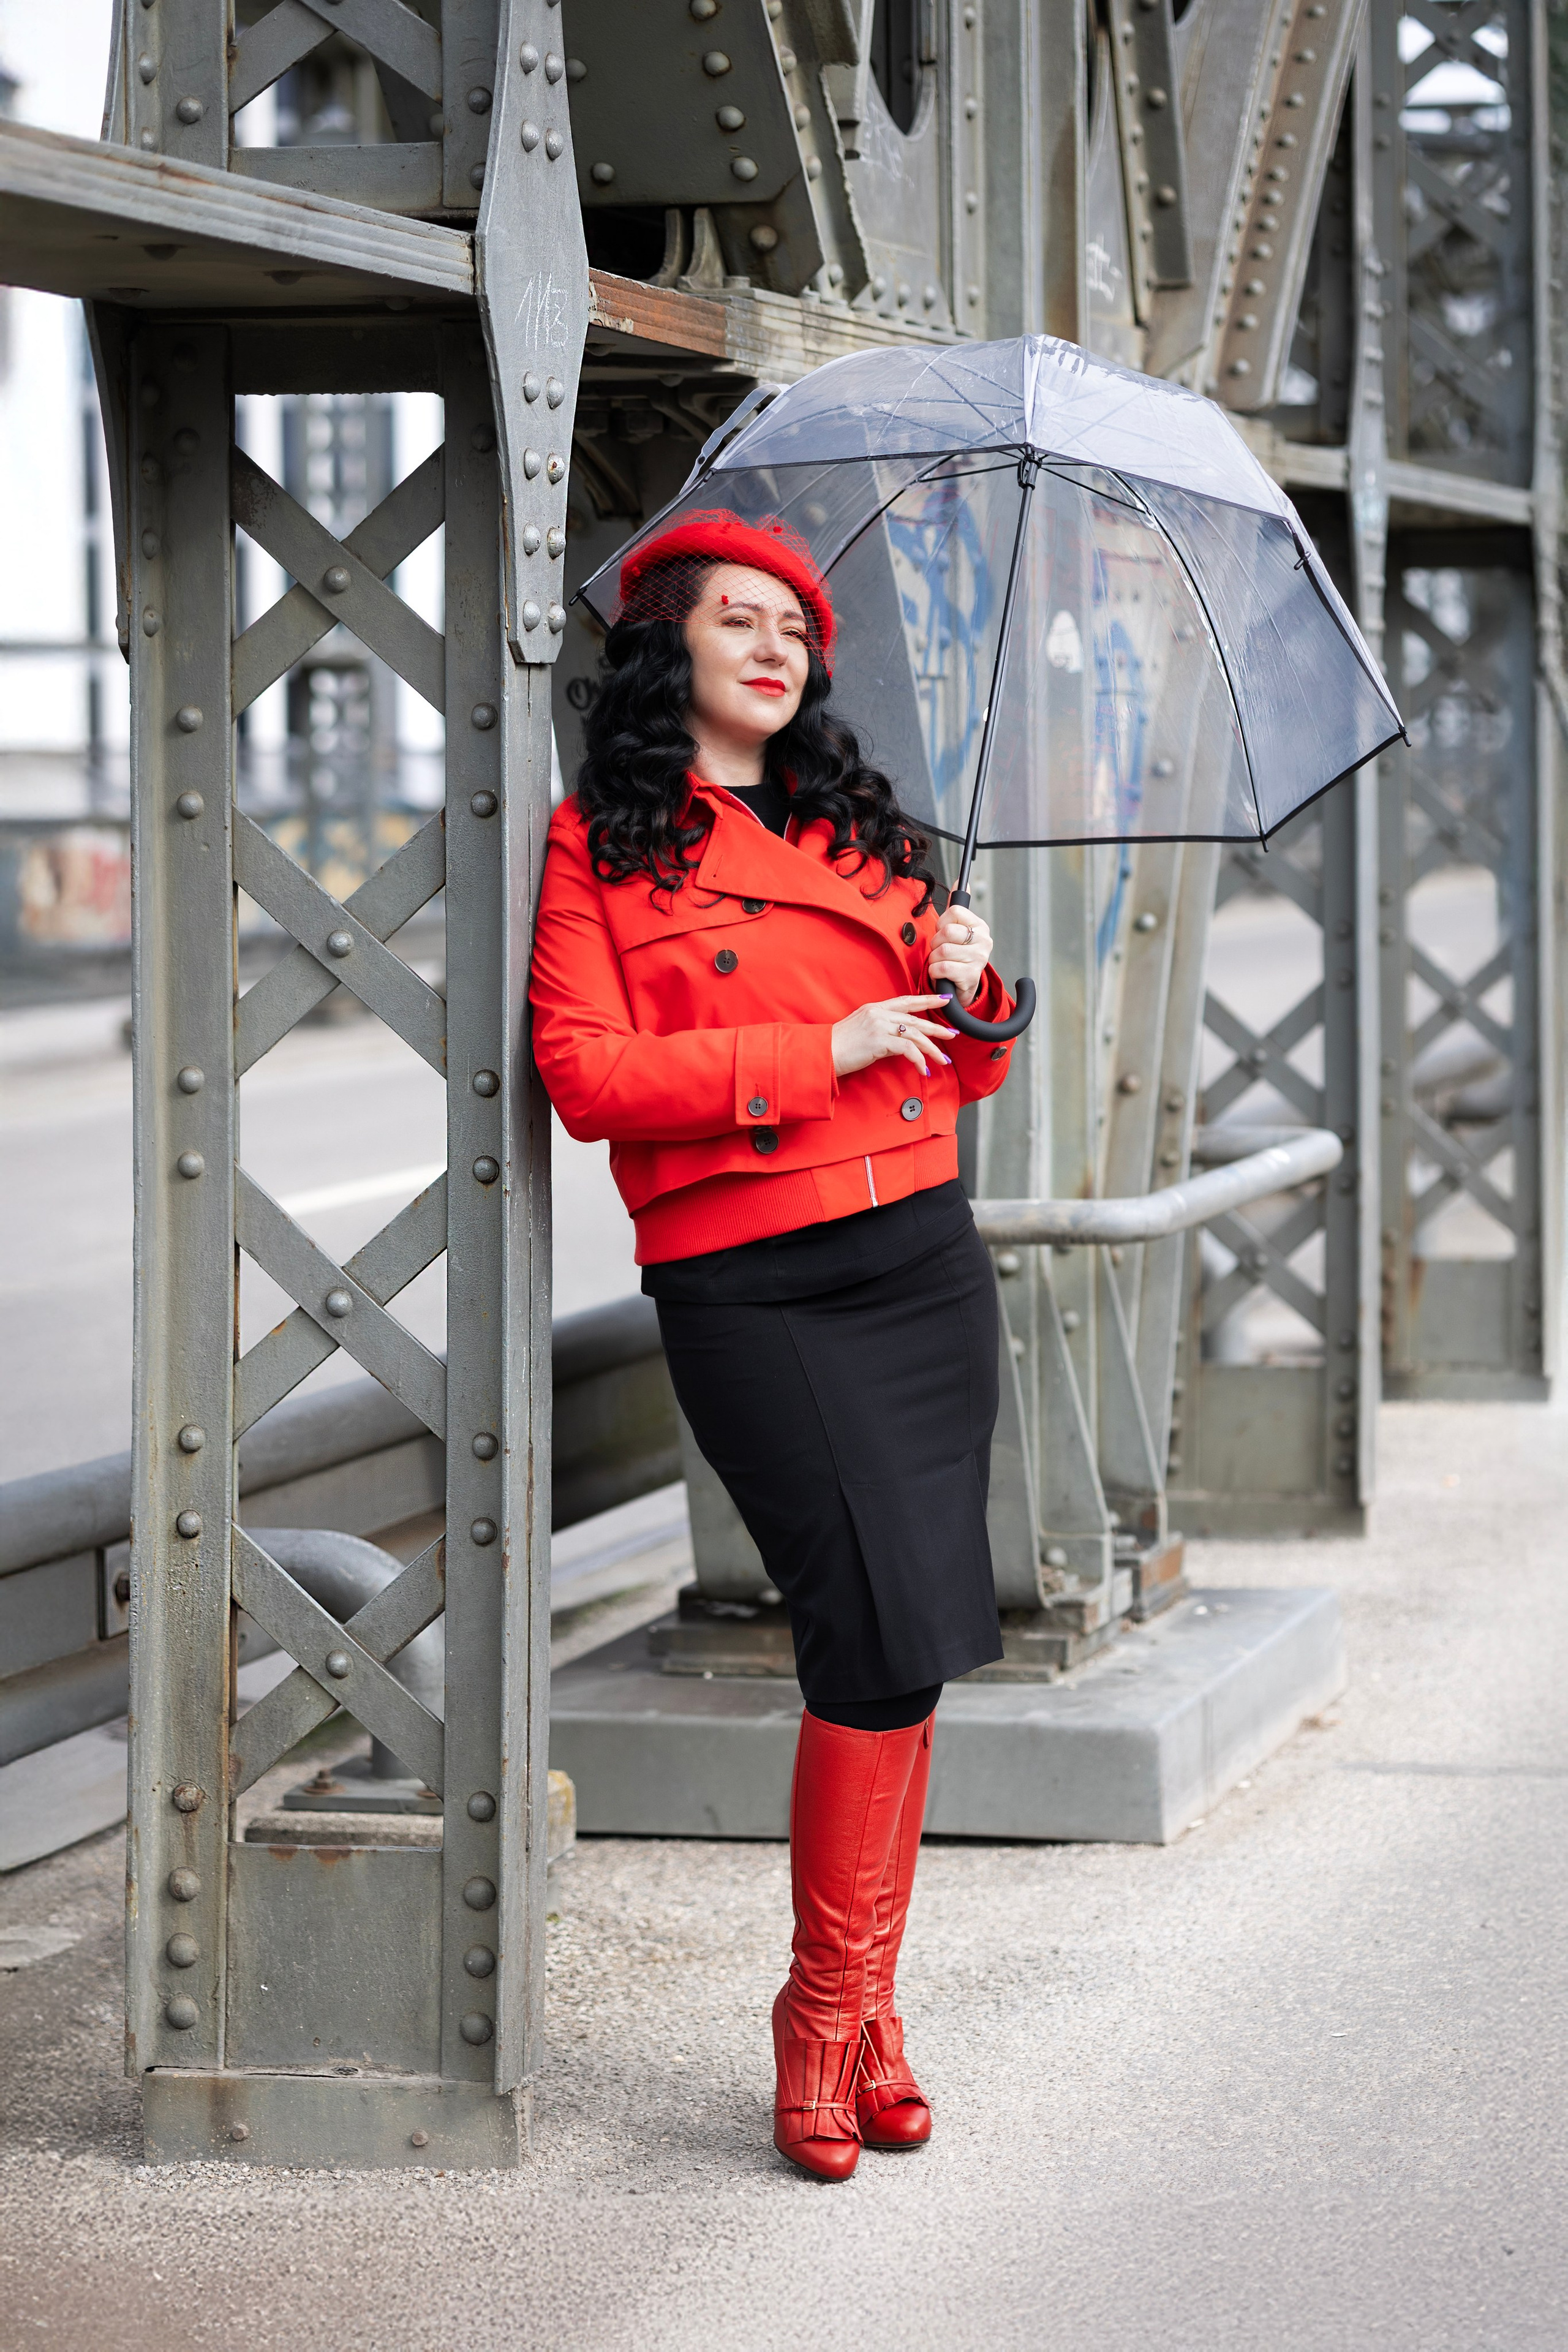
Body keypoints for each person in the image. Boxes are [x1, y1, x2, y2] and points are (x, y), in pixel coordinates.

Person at [529, 509, 1017, 2180]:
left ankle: (868, 2010)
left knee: (915, 1638)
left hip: (921, 1262)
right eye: (738, 619)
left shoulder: (862, 834)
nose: (776, 646)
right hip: (760, 1286)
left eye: (796, 631)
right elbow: (589, 1079)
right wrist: (817, 1044)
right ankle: (823, 2017)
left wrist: (976, 989)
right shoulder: (600, 845)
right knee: (865, 1635)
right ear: (672, 646)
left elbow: (952, 1073)